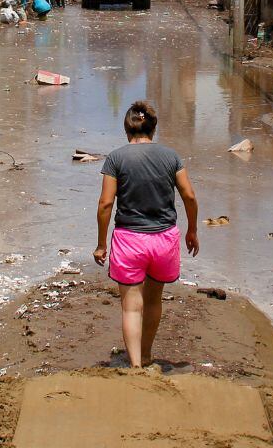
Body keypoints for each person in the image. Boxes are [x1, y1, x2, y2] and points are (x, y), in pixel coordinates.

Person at [94, 101, 199, 369]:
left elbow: (106, 204)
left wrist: (100, 244)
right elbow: (188, 195)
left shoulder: (116, 159)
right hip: (164, 239)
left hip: (129, 240)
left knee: (131, 306)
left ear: (126, 128)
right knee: (153, 301)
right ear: (154, 127)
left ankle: (136, 365)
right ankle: (147, 353)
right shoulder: (171, 157)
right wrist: (193, 230)